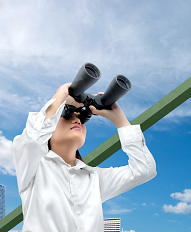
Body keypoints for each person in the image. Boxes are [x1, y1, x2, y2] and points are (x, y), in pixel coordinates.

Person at [13, 83, 156, 232]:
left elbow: (144, 170)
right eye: (67, 115)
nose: (77, 120)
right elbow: (32, 139)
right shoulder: (33, 168)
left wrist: (120, 120)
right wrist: (60, 97)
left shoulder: (94, 178)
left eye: (81, 117)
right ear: (50, 126)